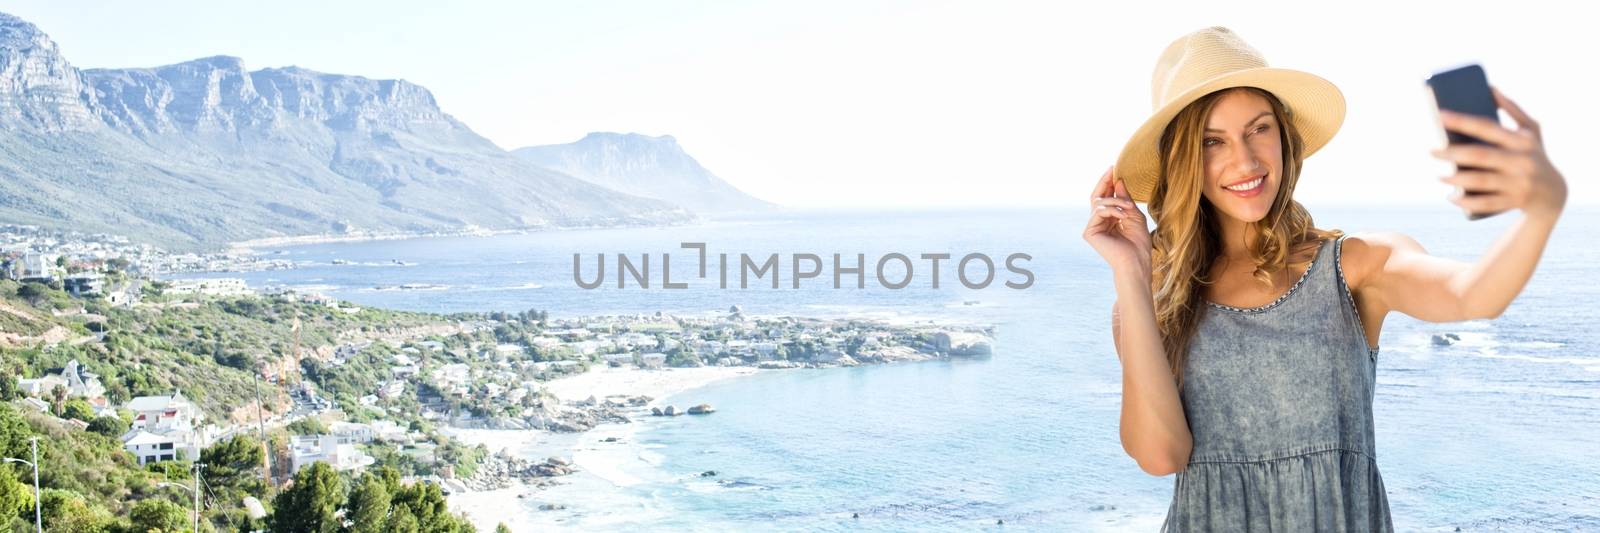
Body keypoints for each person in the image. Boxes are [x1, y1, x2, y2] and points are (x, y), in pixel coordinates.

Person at [1081, 27, 1567, 532]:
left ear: (1285, 138)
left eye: (1259, 129)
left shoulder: (1356, 266)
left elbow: (1475, 294)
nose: (1245, 160)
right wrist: (1132, 274)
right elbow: (1162, 456)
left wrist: (1540, 212)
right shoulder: (1152, 301)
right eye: (1212, 141)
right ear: (1185, 160)